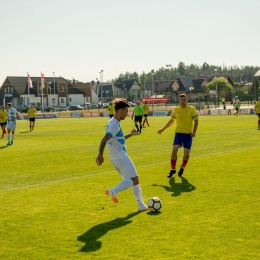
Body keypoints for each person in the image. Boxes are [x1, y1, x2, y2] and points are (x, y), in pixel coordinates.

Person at [96, 98, 148, 212]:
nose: (127, 114)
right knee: (135, 179)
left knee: (129, 180)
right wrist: (100, 154)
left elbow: (117, 139)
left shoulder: (112, 122)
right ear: (120, 112)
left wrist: (130, 135)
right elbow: (104, 139)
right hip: (120, 156)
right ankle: (114, 191)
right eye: (126, 112)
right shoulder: (114, 125)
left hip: (114, 158)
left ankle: (140, 205)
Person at [157, 94, 198, 177]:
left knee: (186, 155)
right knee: (174, 151)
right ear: (179, 100)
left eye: (184, 100)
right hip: (178, 133)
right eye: (181, 100)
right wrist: (163, 129)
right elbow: (171, 121)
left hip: (188, 135)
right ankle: (173, 169)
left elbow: (196, 121)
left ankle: (182, 167)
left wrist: (194, 132)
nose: (183, 101)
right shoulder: (176, 110)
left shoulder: (191, 109)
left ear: (187, 100)